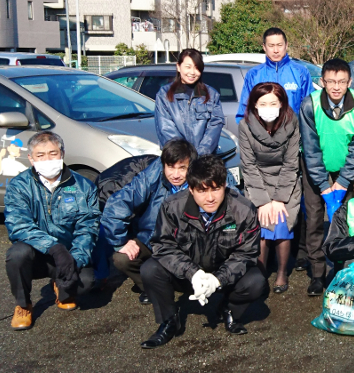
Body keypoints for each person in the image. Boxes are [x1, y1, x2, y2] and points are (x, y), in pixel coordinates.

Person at [140, 155, 263, 348]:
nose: (211, 197)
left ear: (225, 185)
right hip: (187, 274)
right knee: (150, 269)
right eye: (202, 191)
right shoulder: (172, 207)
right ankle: (169, 320)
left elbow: (247, 253)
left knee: (256, 281)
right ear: (190, 189)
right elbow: (162, 245)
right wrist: (193, 273)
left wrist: (218, 279)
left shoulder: (244, 209)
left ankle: (229, 309)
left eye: (216, 188)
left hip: (222, 273)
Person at [4, 132, 100, 330]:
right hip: (37, 254)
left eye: (53, 153)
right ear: (31, 158)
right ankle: (23, 305)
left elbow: (88, 227)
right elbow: (18, 225)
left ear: (62, 153)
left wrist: (75, 260)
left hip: (69, 253)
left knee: (86, 282)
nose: (47, 159)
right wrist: (54, 248)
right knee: (16, 254)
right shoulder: (19, 186)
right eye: (40, 155)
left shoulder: (84, 186)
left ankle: (61, 285)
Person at [299, 58, 354, 295]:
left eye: (342, 81)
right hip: (316, 168)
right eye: (330, 81)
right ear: (322, 81)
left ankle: (344, 269)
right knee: (314, 221)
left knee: (350, 219)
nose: (336, 87)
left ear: (350, 82)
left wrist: (342, 182)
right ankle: (318, 274)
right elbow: (310, 148)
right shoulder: (309, 104)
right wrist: (323, 184)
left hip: (349, 170)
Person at [99, 139, 197, 305]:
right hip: (152, 237)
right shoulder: (153, 174)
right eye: (170, 167)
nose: (175, 174)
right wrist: (120, 240)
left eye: (182, 168)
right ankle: (150, 287)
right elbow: (119, 202)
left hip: (188, 244)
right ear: (163, 165)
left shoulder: (200, 178)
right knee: (121, 258)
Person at [238, 82, 301, 294]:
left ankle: (282, 273)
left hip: (287, 183)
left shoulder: (292, 122)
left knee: (282, 221)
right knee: (262, 225)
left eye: (273, 103)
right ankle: (260, 273)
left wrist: (279, 199)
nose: (268, 107)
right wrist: (263, 201)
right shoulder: (245, 126)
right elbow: (249, 166)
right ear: (254, 104)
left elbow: (292, 163)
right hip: (258, 183)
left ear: (282, 103)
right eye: (263, 103)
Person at [235, 27, 315, 121]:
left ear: (286, 45)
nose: (276, 50)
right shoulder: (254, 74)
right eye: (271, 45)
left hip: (293, 133)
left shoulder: (301, 72)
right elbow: (244, 110)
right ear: (264, 47)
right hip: (261, 133)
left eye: (279, 45)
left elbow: (310, 108)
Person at [155, 49, 224, 156]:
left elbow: (215, 126)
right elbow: (166, 128)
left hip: (204, 160)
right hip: (177, 161)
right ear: (178, 67)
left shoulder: (212, 94)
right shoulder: (164, 94)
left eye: (197, 68)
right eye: (188, 67)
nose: (192, 72)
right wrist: (184, 156)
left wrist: (200, 154)